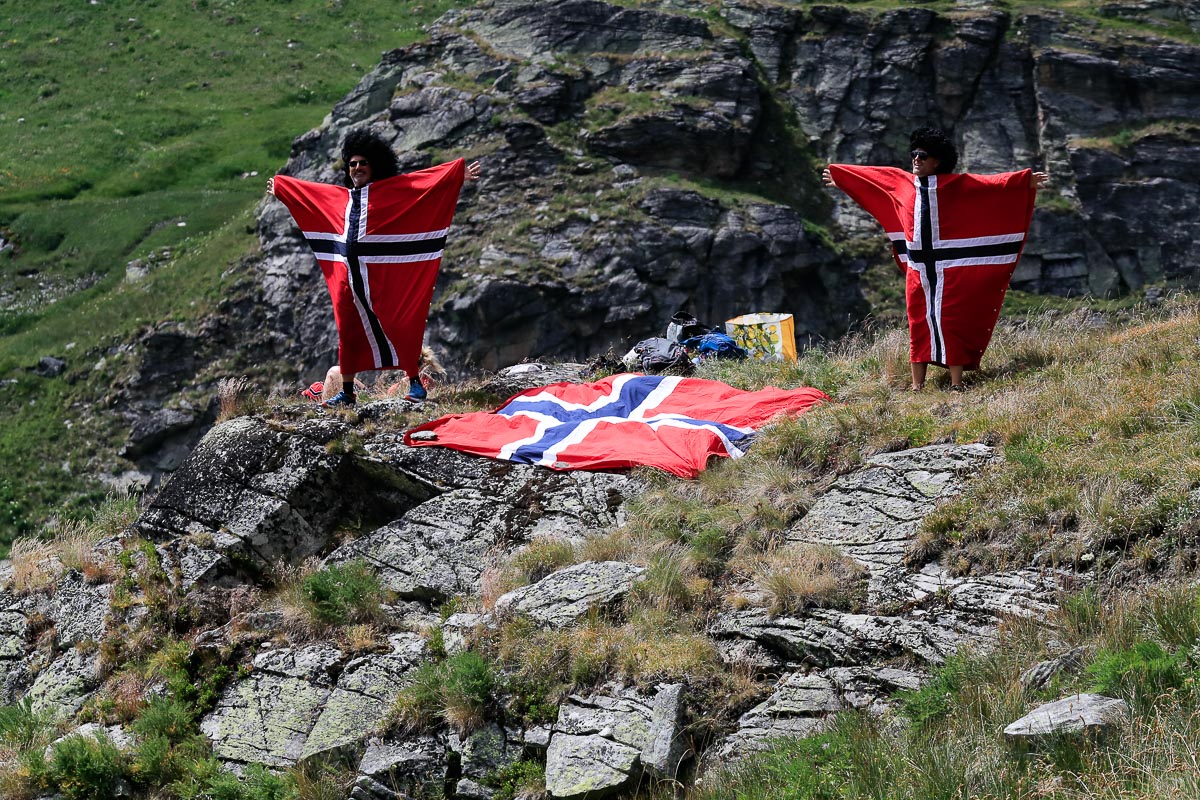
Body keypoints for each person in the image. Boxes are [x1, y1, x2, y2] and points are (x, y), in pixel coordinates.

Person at [823, 128, 1049, 391]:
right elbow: (875, 181)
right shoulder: (903, 183)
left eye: (923, 155)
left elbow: (989, 186)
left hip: (948, 268)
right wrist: (843, 180)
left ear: (937, 161)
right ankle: (917, 386)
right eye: (914, 154)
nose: (916, 159)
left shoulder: (956, 185)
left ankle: (956, 384)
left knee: (950, 322)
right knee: (918, 324)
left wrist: (1023, 182)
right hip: (918, 270)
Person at [267, 130, 481, 407]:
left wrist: (455, 178)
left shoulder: (392, 194)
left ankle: (414, 382)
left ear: (374, 166)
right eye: (352, 164)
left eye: (363, 163)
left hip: (381, 276)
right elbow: (311, 196)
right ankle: (346, 392)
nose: (357, 168)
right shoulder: (340, 199)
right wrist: (283, 190)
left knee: (400, 323)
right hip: (348, 281)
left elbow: (422, 187)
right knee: (348, 331)